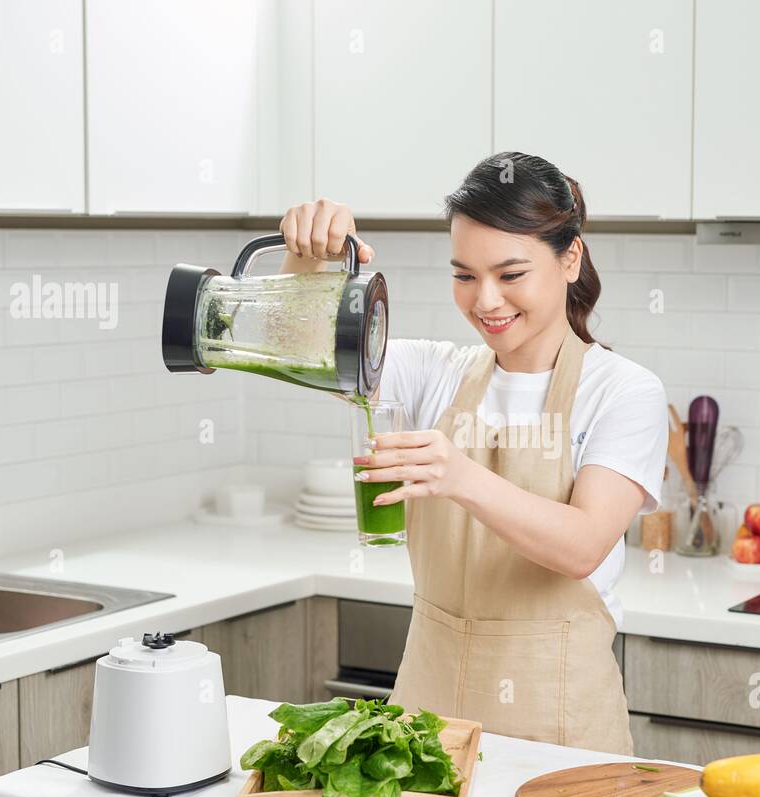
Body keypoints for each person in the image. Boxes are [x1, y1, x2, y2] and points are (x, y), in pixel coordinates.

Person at [278, 152, 667, 754]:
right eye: (464, 275)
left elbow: (584, 544)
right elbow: (299, 348)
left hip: (560, 727)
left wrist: (459, 475)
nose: (485, 301)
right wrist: (309, 255)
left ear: (571, 258)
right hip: (424, 725)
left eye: (510, 275)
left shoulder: (623, 391)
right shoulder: (434, 372)